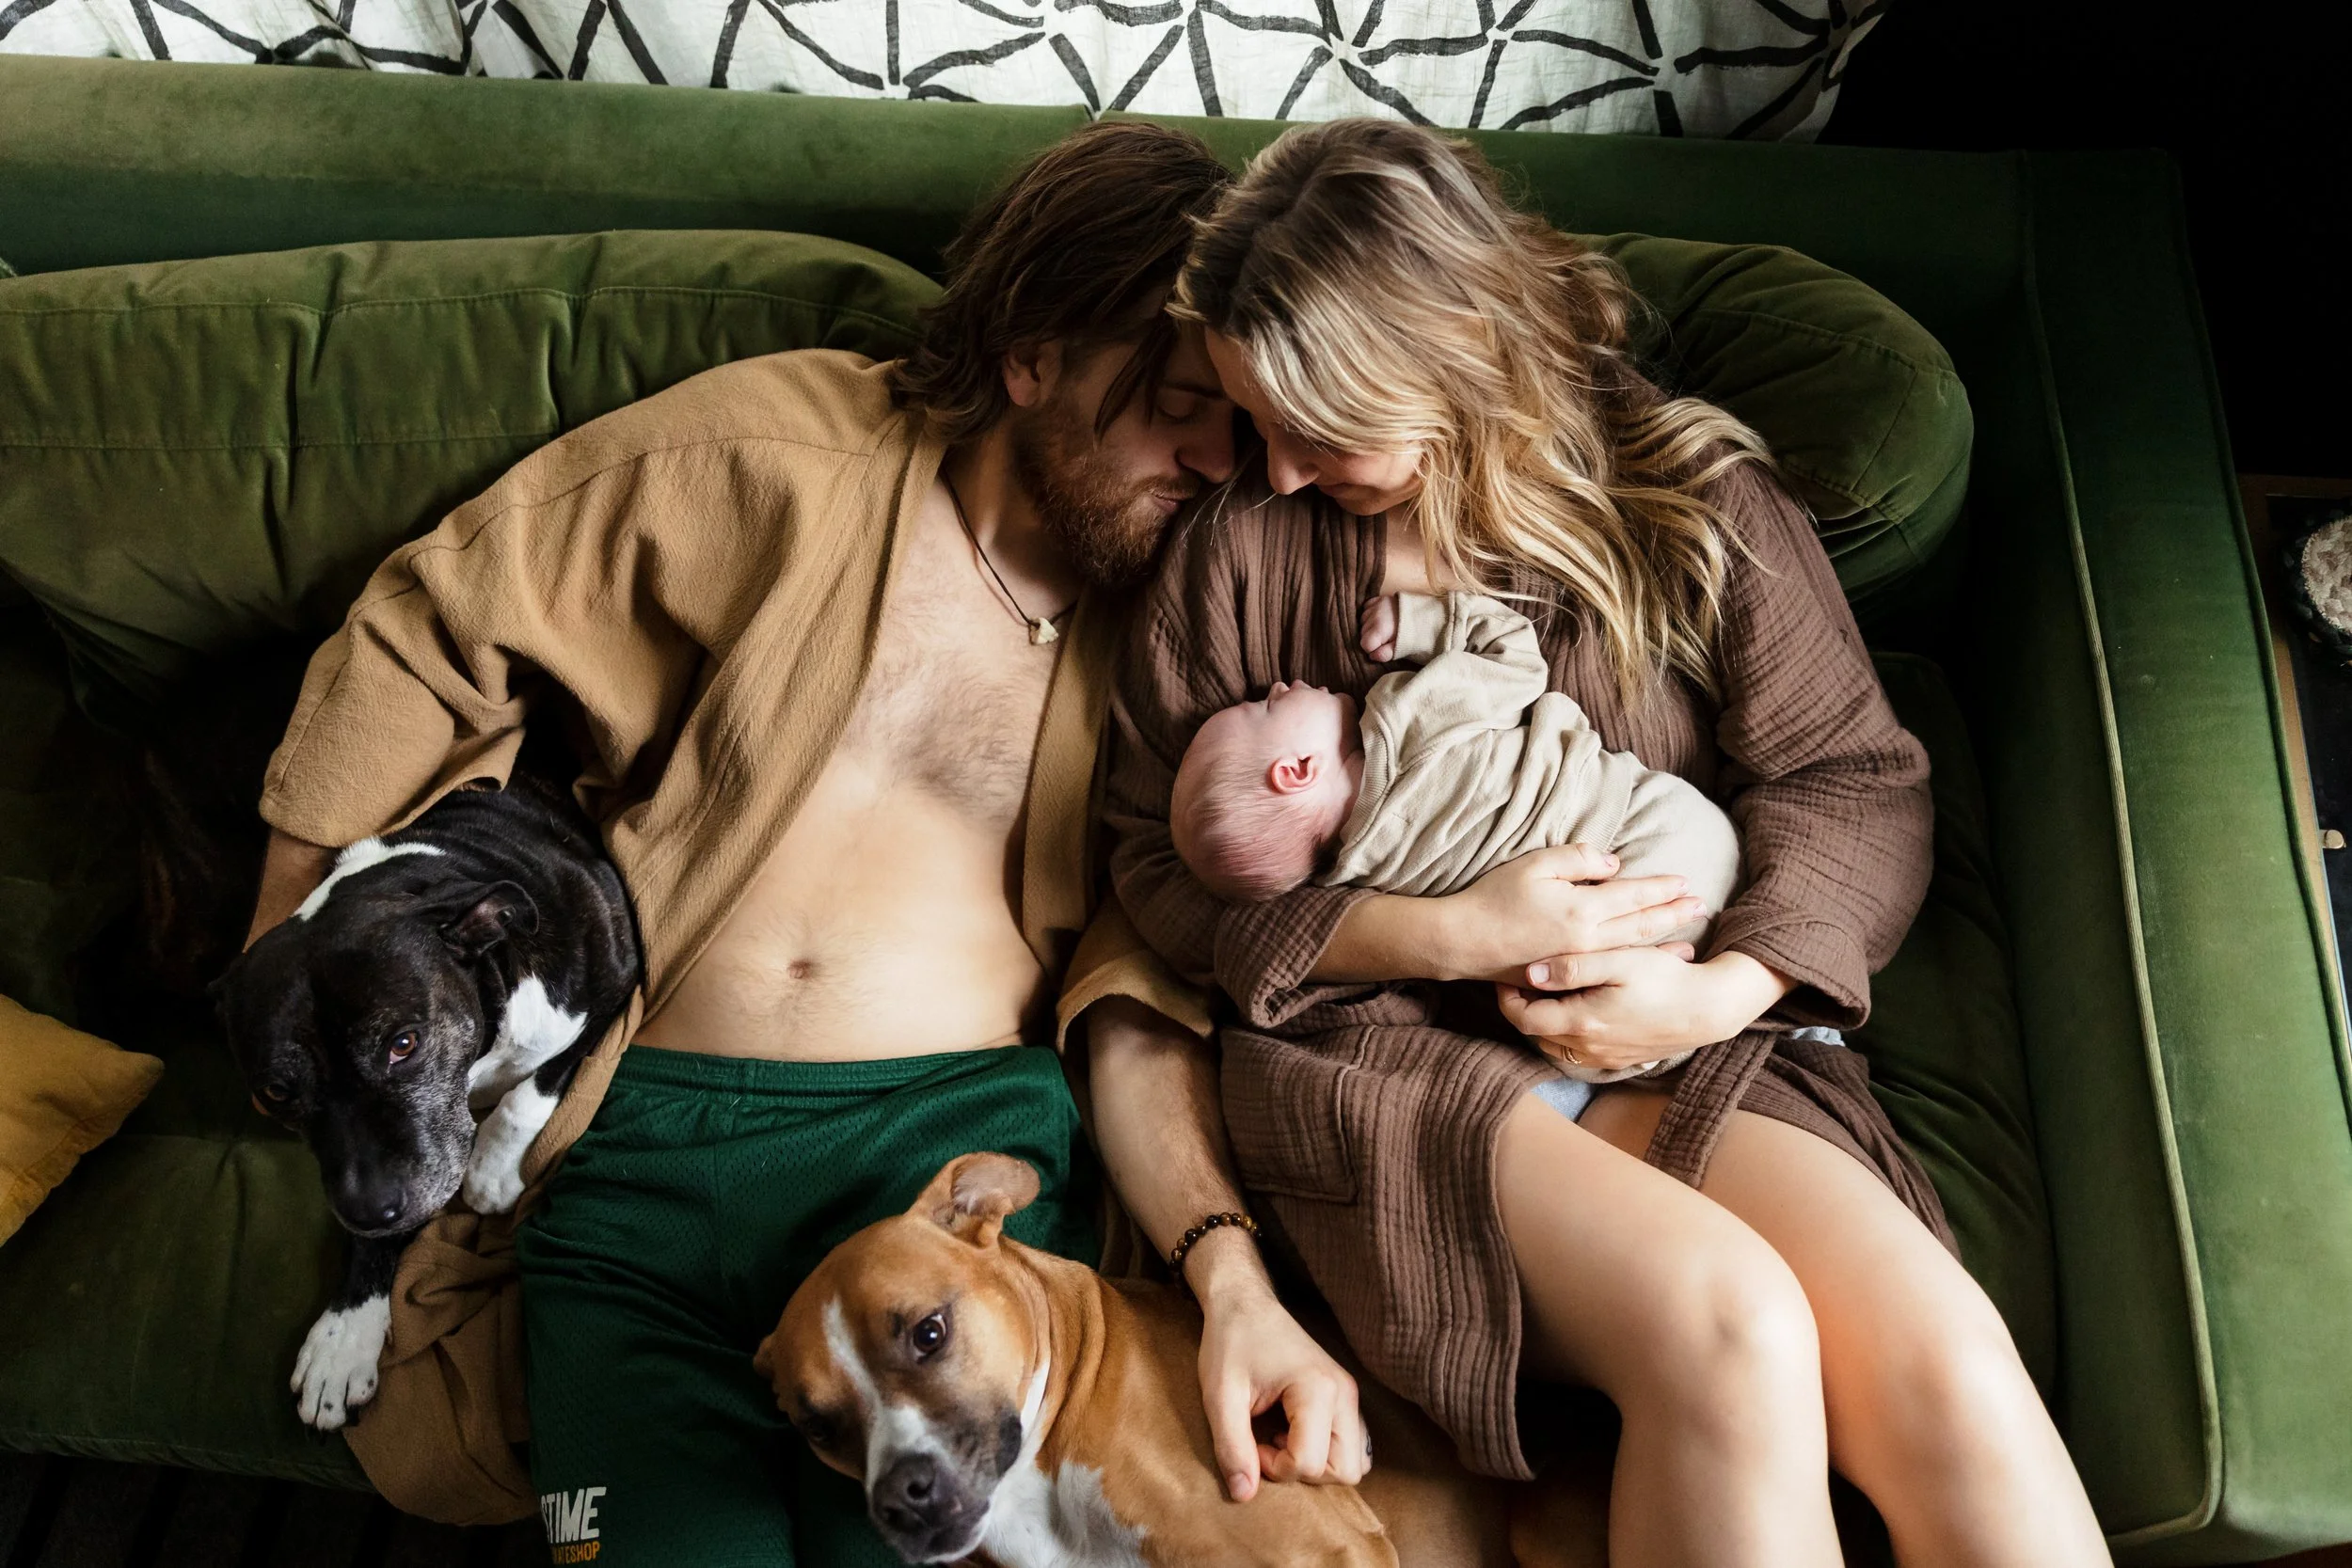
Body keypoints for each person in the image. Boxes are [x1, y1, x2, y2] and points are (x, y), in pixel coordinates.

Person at [239, 122, 1369, 1563]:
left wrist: (1225, 1267)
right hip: (637, 1169)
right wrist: (296, 950)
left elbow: (1158, 980)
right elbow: (436, 621)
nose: (1219, 460)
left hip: (944, 1181)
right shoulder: (786, 453)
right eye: (1172, 405)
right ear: (1031, 357)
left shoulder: (1206, 600)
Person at [1082, 119, 2113, 1567]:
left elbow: (1853, 777)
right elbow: (1151, 868)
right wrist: (1434, 932)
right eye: (1261, 425)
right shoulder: (1240, 556)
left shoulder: (1680, 498)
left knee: (1950, 1358)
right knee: (1731, 1322)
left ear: (1452, 359)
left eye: (1325, 430)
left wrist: (1713, 994)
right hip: (1376, 1057)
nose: (1281, 471)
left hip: (1676, 1036)